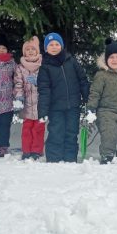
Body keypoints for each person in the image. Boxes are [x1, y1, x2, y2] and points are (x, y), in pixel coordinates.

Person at [37, 32, 90, 163]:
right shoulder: (45, 67)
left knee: (71, 133)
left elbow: (82, 80)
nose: (54, 47)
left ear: (61, 46)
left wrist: (88, 99)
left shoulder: (71, 61)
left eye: (56, 44)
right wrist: (42, 111)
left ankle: (70, 159)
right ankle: (54, 160)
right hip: (55, 108)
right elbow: (44, 91)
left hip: (73, 106)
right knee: (56, 132)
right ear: (45, 48)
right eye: (50, 45)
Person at [14, 36, 44, 160]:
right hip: (27, 104)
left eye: (33, 49)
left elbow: (47, 83)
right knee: (27, 129)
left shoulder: (43, 65)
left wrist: (38, 82)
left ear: (37, 51)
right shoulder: (20, 67)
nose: (30, 51)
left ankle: (36, 150)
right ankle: (26, 150)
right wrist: (19, 97)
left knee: (39, 128)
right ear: (24, 52)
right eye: (28, 49)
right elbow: (18, 83)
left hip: (40, 104)